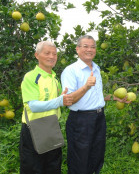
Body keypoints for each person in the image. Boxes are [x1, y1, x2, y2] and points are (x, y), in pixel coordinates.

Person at [20, 41, 73, 174]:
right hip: (33, 129)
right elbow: (33, 106)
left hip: (52, 127)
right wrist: (59, 101)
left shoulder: (54, 78)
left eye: (54, 54)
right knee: (32, 168)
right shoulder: (31, 77)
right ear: (37, 55)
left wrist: (63, 98)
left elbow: (60, 100)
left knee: (53, 167)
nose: (52, 56)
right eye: (47, 53)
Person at [61, 35, 107, 174]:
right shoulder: (71, 70)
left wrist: (115, 98)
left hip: (99, 118)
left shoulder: (96, 68)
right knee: (79, 160)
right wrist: (86, 86)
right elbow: (69, 99)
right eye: (85, 46)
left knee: (96, 156)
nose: (90, 49)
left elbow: (94, 96)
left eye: (93, 47)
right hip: (81, 120)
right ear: (77, 49)